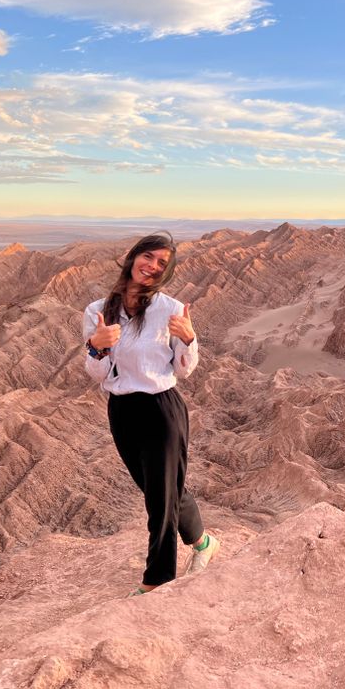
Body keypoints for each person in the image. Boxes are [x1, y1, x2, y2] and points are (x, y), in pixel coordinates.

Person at [82, 232, 219, 595]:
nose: (153, 266)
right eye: (149, 257)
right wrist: (96, 349)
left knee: (160, 501)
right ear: (133, 257)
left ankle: (157, 581)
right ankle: (204, 543)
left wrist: (189, 340)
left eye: (162, 264)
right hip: (122, 411)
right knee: (161, 491)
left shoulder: (171, 310)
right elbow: (97, 374)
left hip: (162, 409)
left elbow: (185, 369)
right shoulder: (98, 312)